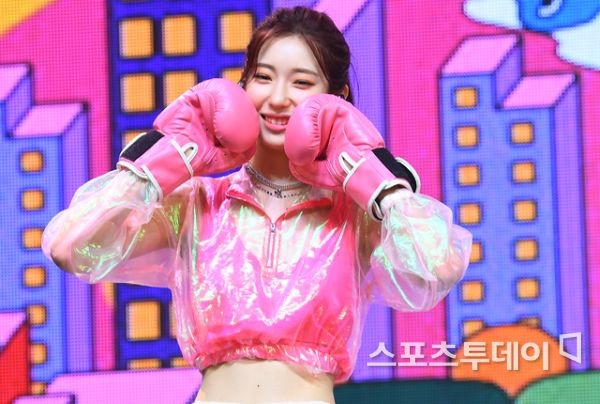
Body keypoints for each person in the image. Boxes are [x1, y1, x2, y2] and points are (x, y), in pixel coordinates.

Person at [42, 6, 472, 404]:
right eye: (263, 77)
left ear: (336, 99)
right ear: (242, 85)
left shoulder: (355, 215)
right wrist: (154, 166)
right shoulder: (197, 204)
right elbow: (71, 249)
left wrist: (382, 184)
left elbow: (438, 269)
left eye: (301, 83)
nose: (278, 98)